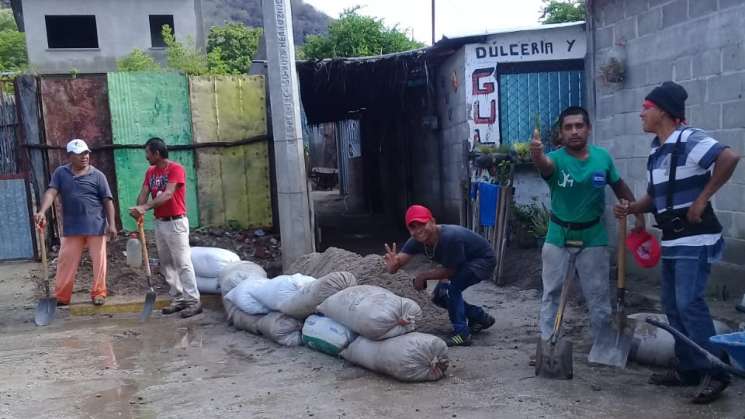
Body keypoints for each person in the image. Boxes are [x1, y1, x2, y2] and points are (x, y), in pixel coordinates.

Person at [614, 81, 740, 404]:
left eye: (647, 107)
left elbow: (729, 157)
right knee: (672, 305)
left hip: (696, 238)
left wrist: (702, 199)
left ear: (663, 112)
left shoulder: (688, 138)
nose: (641, 113)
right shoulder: (657, 151)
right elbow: (654, 198)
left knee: (688, 303)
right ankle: (690, 367)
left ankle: (716, 369)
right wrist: (631, 208)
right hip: (672, 239)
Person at [530, 106, 644, 348]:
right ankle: (547, 344)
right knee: (551, 293)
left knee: (599, 296)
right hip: (559, 235)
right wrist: (537, 155)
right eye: (568, 127)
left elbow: (620, 186)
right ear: (561, 134)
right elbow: (544, 165)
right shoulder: (556, 159)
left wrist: (638, 215)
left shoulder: (602, 158)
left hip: (594, 236)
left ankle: (603, 347)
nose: (574, 132)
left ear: (588, 129)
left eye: (579, 126)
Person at [383, 205, 496, 346]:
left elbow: (451, 271)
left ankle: (462, 334)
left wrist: (422, 276)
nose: (418, 230)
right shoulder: (416, 241)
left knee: (451, 290)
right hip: (460, 263)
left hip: (482, 261)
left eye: (422, 224)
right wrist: (392, 266)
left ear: (432, 221)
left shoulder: (450, 237)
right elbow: (398, 262)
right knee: (439, 296)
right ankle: (480, 317)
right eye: (413, 227)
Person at [33, 139, 117, 306]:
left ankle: (99, 292)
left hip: (96, 226)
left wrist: (112, 224)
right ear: (70, 156)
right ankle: (62, 296)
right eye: (80, 154)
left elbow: (108, 201)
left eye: (86, 153)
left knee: (99, 262)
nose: (84, 157)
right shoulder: (60, 173)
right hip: (72, 227)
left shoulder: (98, 175)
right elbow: (51, 193)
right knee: (65, 261)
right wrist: (42, 211)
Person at [129, 137, 202, 318]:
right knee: (167, 263)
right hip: (160, 222)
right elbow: (144, 193)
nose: (146, 157)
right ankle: (178, 298)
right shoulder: (151, 172)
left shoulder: (176, 169)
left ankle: (193, 300)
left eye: (148, 153)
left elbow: (168, 194)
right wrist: (139, 209)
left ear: (157, 153)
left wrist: (144, 208)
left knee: (183, 262)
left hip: (176, 222)